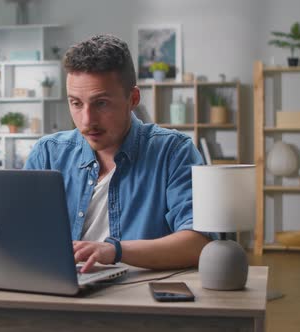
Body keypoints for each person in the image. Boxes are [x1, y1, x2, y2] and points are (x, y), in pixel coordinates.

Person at [24, 34, 211, 273]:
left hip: (137, 298)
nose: (87, 121)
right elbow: (19, 234)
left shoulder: (174, 152)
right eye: (76, 103)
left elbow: (198, 242)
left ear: (132, 98)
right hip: (60, 293)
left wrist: (115, 251)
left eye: (101, 103)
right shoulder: (48, 153)